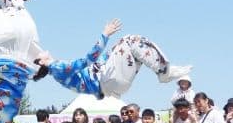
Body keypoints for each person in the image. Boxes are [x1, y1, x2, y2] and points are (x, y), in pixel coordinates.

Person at [34, 18, 191, 100]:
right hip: (107, 80)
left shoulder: (57, 72)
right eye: (40, 53)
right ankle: (164, 73)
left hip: (112, 84)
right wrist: (105, 35)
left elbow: (97, 62)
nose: (45, 50)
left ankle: (163, 71)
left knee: (132, 48)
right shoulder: (57, 67)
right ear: (41, 62)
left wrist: (112, 50)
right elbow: (87, 60)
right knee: (131, 40)